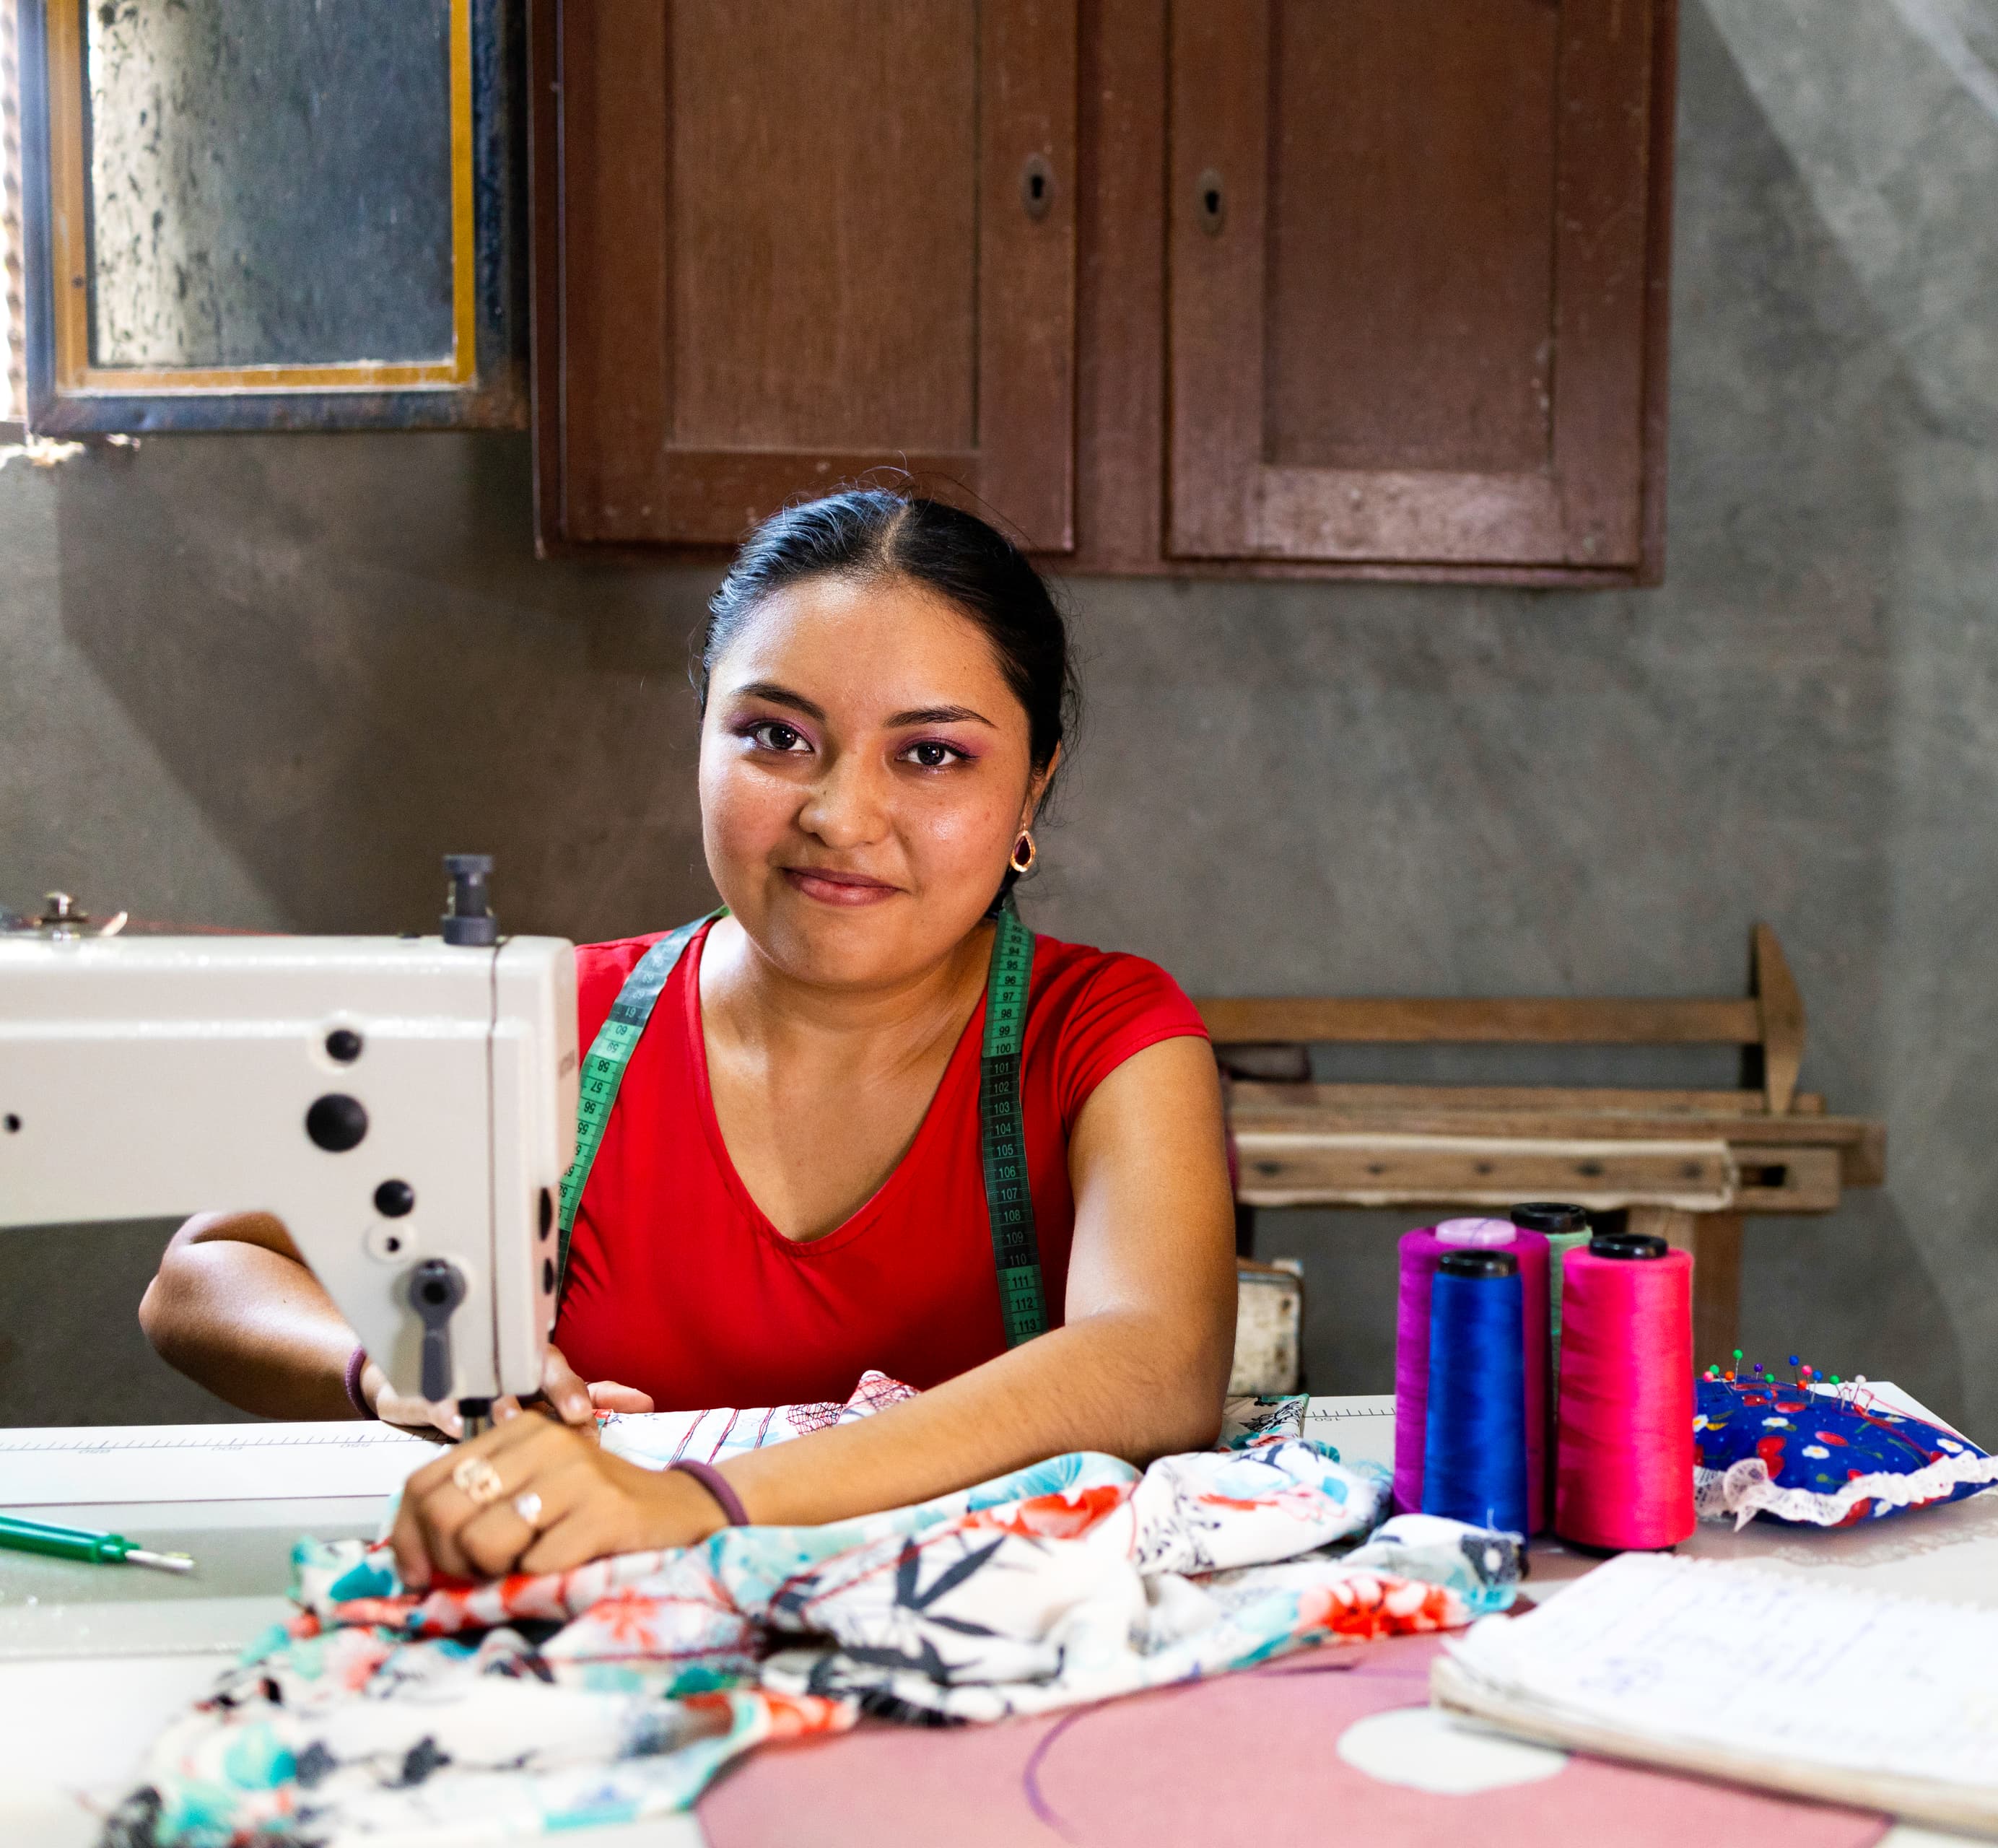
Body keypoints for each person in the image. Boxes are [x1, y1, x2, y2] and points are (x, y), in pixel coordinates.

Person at [138, 491, 1236, 1584]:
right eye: (777, 736)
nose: (840, 816)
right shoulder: (548, 1023)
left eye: (932, 756)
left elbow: (1154, 1366)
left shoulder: (1105, 1035)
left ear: (1034, 784)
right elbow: (205, 1273)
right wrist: (399, 1362)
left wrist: (686, 1503)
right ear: (703, 736)